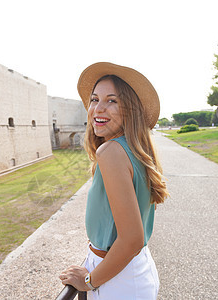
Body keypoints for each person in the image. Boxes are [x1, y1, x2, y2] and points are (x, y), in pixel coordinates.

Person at [59, 62, 168, 299]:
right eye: (95, 99)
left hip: (117, 281)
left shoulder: (111, 152)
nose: (98, 108)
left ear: (130, 109)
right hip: (133, 271)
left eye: (112, 100)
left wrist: (88, 280)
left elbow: (131, 240)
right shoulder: (135, 151)